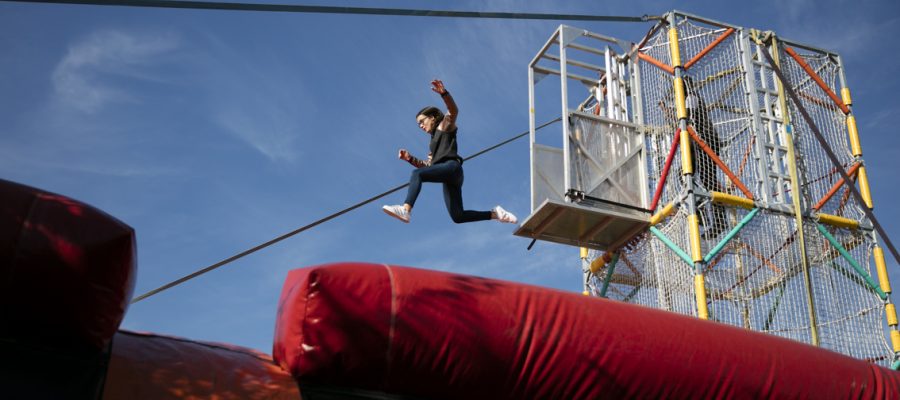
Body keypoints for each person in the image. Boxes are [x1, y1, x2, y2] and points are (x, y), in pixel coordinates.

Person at [382, 79, 517, 225]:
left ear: (432, 118)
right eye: (418, 124)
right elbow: (428, 167)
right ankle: (496, 214)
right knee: (457, 217)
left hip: (452, 168)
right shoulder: (432, 144)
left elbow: (454, 111)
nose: (420, 126)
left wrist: (444, 94)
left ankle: (406, 210)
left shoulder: (444, 126)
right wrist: (410, 159)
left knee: (416, 175)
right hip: (448, 177)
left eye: (422, 121)